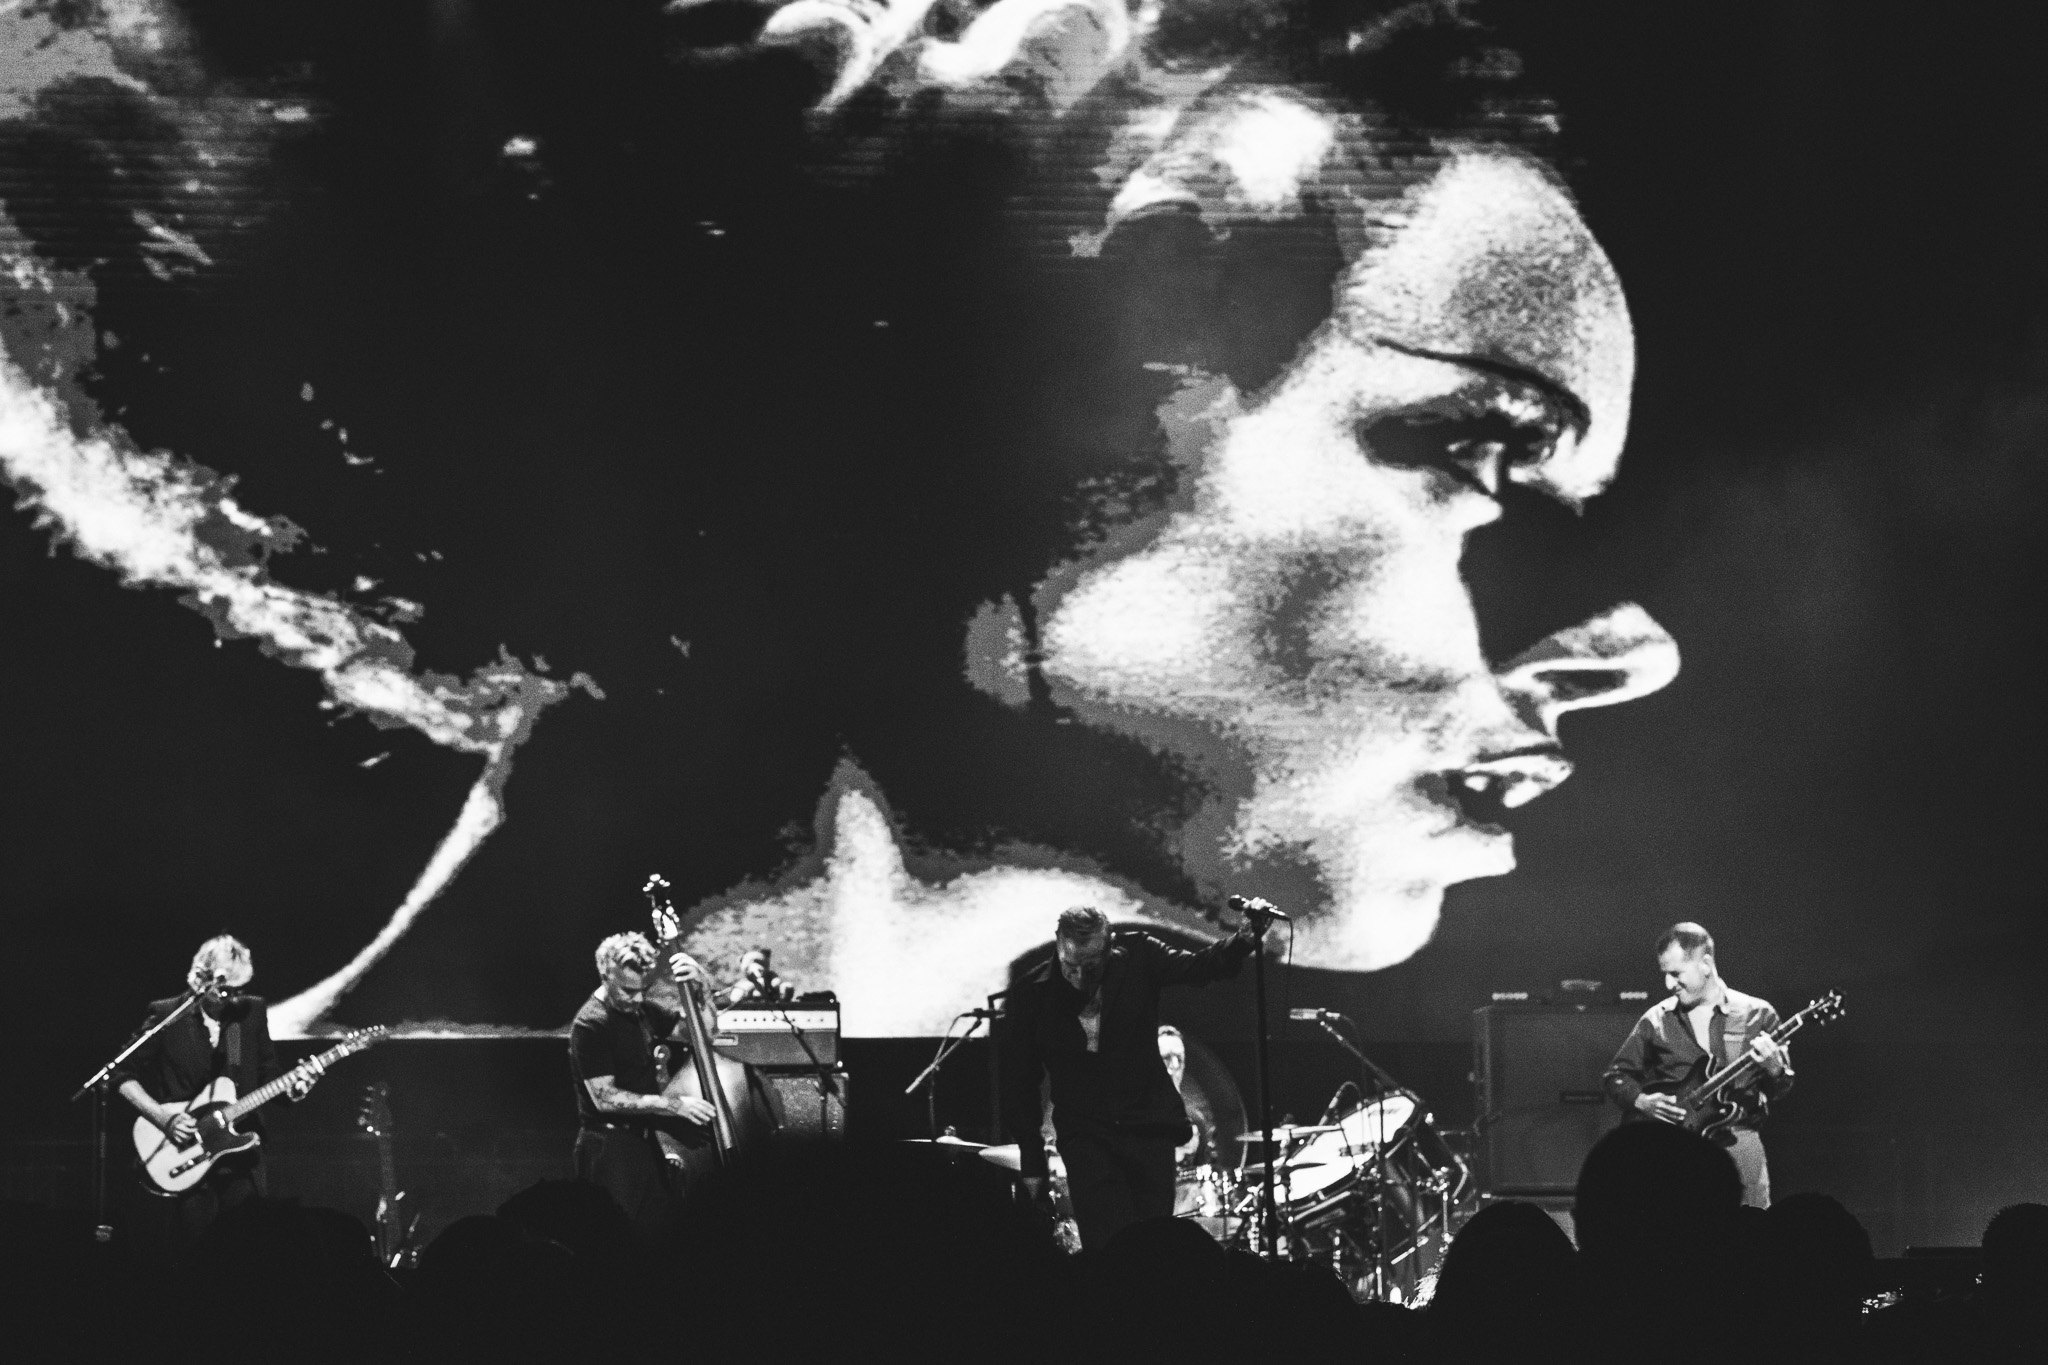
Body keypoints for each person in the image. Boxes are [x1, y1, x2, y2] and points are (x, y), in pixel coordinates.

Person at [1000, 905, 1264, 1251]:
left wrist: (1243, 940)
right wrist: (1033, 1162)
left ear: (1111, 947)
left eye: (1090, 968)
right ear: (1058, 945)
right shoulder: (1032, 993)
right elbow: (1020, 1082)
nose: (1079, 978)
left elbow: (1197, 967)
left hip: (1147, 1129)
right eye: (1070, 966)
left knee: (1153, 1247)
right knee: (1107, 1249)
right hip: (1086, 1136)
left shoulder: (1138, 954)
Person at [112, 935, 312, 1256]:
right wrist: (163, 1118)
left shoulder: (249, 1012)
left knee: (248, 1253)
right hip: (188, 1155)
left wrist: (295, 1089)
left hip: (241, 1155)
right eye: (224, 989)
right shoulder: (167, 1014)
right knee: (196, 1254)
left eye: (238, 989)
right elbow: (121, 1074)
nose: (232, 997)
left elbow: (268, 1073)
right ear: (200, 979)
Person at [1602, 922, 1791, 1206]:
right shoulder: (1657, 1018)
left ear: (1705, 964)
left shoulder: (1757, 1014)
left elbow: (1780, 1089)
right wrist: (1642, 1101)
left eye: (1676, 973)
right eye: (1665, 975)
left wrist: (1775, 1068)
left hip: (1738, 1143)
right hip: (1675, 1150)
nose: (1669, 984)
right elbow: (1616, 1075)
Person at [567, 931, 718, 1240]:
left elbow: (701, 1036)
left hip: (644, 1142)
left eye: (643, 990)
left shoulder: (642, 1011)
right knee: (615, 1242)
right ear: (605, 974)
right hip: (609, 1147)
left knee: (655, 1238)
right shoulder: (591, 1023)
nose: (637, 999)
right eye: (627, 990)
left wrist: (703, 989)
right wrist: (674, 1105)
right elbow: (604, 1098)